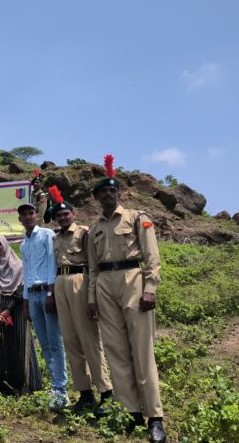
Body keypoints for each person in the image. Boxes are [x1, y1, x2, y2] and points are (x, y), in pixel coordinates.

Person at [86, 155, 165, 443]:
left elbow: (152, 256)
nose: (108, 194)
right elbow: (93, 268)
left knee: (142, 352)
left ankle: (154, 417)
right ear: (96, 198)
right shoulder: (94, 229)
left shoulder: (137, 218)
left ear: (118, 193)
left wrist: (150, 288)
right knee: (117, 352)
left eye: (112, 190)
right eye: (102, 192)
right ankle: (131, 411)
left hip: (133, 279)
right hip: (105, 285)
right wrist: (92, 298)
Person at [46, 186, 114, 414]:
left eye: (66, 214)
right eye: (59, 215)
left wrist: (92, 296)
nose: (63, 217)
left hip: (80, 281)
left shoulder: (84, 233)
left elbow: (93, 265)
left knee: (89, 339)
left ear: (73, 214)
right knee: (70, 340)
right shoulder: (55, 238)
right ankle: (85, 393)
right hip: (60, 283)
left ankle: (106, 392)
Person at [18, 200, 68, 410]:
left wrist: (51, 292)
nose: (28, 217)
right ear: (20, 220)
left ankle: (61, 390)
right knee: (45, 344)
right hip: (32, 295)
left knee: (55, 342)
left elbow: (52, 263)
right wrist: (26, 301)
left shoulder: (47, 235)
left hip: (46, 292)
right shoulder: (23, 243)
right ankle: (55, 387)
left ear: (36, 216)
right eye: (24, 215)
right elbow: (26, 271)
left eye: (31, 213)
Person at [0, 235, 43, 395]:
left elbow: (22, 291)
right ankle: (2, 385)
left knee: (20, 345)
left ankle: (26, 384)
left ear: (6, 245)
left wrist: (8, 310)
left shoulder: (20, 268)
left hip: (17, 310)